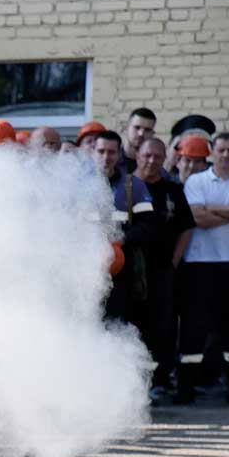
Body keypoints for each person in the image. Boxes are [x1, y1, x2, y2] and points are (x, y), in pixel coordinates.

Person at [176, 133, 229, 405]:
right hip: (200, 264)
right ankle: (185, 390)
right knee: (195, 328)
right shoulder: (196, 181)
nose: (226, 155)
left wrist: (213, 208)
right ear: (211, 153)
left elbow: (210, 213)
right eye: (221, 150)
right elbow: (197, 218)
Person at [133, 136, 194, 399]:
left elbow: (186, 227)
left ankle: (159, 381)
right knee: (133, 323)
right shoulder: (125, 186)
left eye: (158, 157)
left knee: (162, 326)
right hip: (129, 270)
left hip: (162, 269)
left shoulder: (172, 190)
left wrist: (174, 260)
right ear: (138, 156)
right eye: (147, 155)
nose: (152, 161)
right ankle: (132, 382)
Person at [94, 130, 155, 325]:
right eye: (101, 151)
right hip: (84, 267)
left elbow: (148, 226)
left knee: (117, 322)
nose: (106, 157)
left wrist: (122, 239)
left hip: (122, 269)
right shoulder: (78, 184)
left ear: (119, 154)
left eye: (111, 152)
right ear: (92, 152)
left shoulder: (133, 186)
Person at [121, 107, 157, 174]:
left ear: (152, 134)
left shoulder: (155, 166)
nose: (141, 134)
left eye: (147, 130)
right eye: (137, 127)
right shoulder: (110, 160)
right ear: (126, 128)